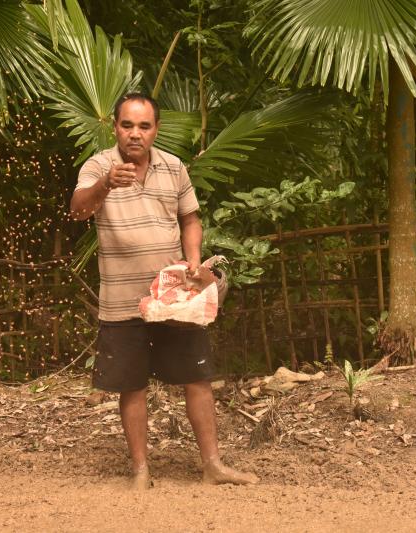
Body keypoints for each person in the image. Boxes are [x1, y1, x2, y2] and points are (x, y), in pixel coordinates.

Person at [69, 93, 258, 490]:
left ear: (156, 129)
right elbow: (78, 209)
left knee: (197, 378)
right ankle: (141, 471)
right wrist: (106, 184)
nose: (135, 134)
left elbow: (190, 219)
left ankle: (213, 466)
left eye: (144, 126)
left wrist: (194, 260)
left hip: (174, 296)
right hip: (122, 299)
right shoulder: (99, 166)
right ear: (115, 128)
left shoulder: (173, 167)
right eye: (127, 125)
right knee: (132, 385)